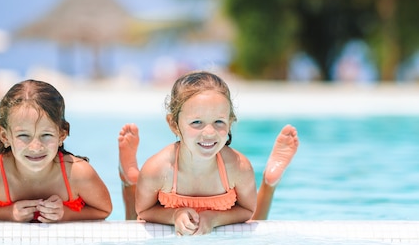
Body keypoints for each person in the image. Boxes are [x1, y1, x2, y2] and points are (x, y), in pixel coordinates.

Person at [117, 70, 299, 235]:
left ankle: (269, 183)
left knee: (254, 227)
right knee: (134, 226)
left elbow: (247, 211)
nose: (209, 133)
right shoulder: (158, 170)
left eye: (219, 122)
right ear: (173, 124)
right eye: (197, 122)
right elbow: (144, 212)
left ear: (230, 121)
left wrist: (214, 219)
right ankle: (129, 181)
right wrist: (174, 215)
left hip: (222, 217)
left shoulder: (238, 167)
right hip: (158, 206)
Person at [0, 79, 112, 222]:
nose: (35, 147)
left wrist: (65, 214)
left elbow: (104, 210)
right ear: (5, 136)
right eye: (24, 135)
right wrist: (9, 213)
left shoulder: (78, 174)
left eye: (46, 135)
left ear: (61, 135)